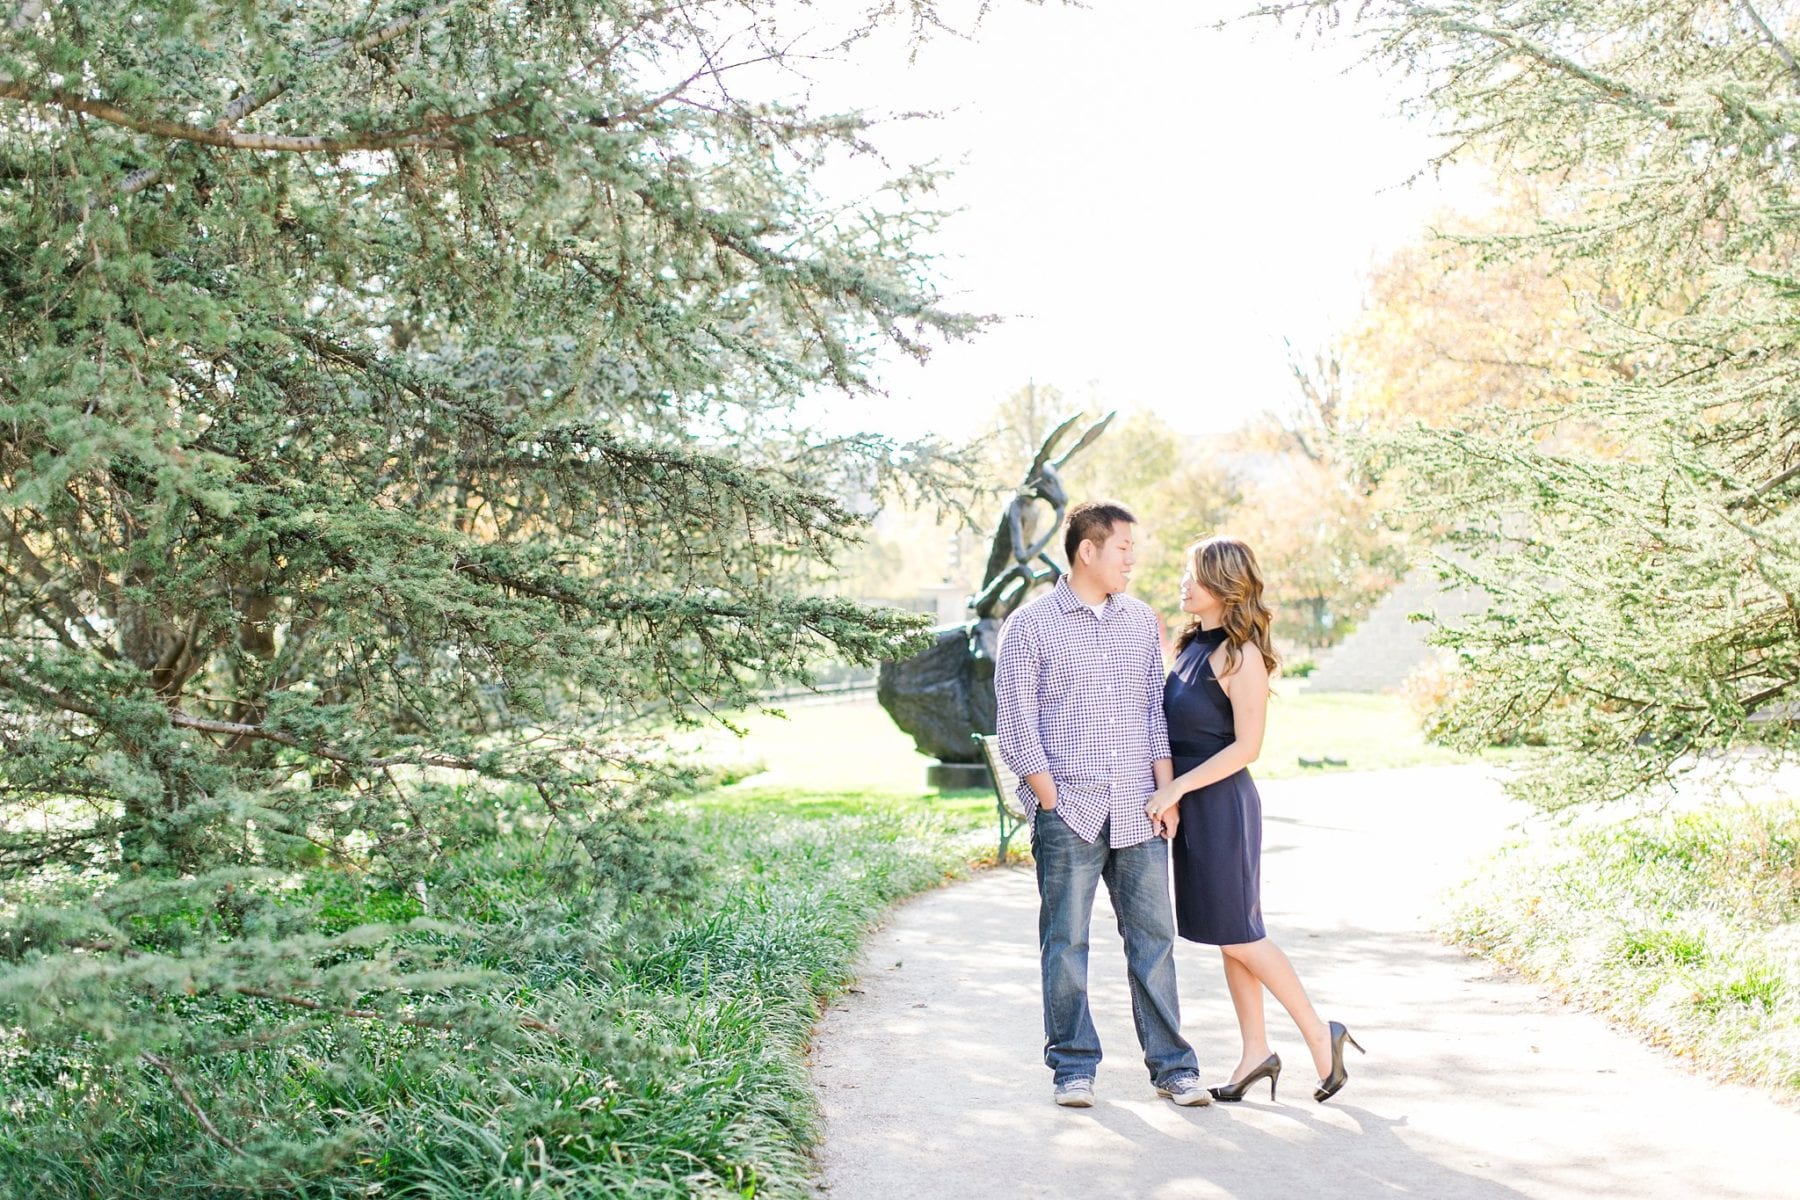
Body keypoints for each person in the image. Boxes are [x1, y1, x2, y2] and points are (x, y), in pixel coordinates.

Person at [995, 500, 1210, 1109]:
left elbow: (1152, 714)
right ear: (1087, 550)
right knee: (1065, 942)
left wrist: (1165, 792)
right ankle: (1072, 1067)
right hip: (1070, 811)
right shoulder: (1030, 626)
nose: (1132, 560)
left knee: (1154, 941)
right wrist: (1050, 798)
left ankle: (1174, 1068)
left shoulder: (1142, 621)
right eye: (1123, 549)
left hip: (1140, 807)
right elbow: (1016, 722)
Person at [1145, 535, 1364, 1104]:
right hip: (1192, 806)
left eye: (1192, 575)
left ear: (1222, 584)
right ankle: (1254, 1054)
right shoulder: (1192, 645)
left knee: (1243, 934)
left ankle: (1321, 1035)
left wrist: (1176, 788)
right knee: (1229, 936)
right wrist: (1173, 792)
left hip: (1221, 807)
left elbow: (1248, 747)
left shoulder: (1241, 655)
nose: (1183, 584)